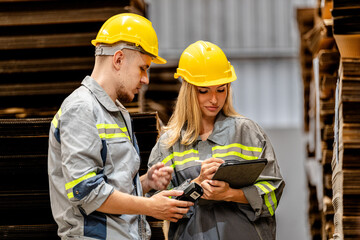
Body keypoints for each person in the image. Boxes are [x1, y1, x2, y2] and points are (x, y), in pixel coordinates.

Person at [47, 13, 193, 240]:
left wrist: (145, 182)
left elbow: (111, 184)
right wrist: (150, 207)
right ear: (118, 60)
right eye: (143, 68)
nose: (146, 79)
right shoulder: (81, 109)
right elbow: (85, 191)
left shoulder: (117, 113)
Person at [148, 40, 285, 240]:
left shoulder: (248, 133)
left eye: (221, 90)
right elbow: (155, 206)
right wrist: (196, 184)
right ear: (188, 91)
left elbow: (274, 192)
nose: (214, 99)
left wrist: (230, 194)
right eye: (204, 91)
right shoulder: (169, 143)